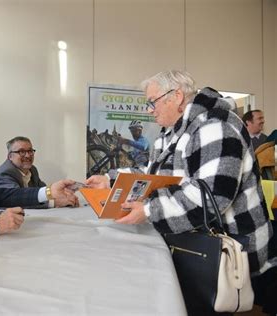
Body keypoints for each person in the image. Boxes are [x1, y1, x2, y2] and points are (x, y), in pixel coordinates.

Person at [86, 70, 277, 314]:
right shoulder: (174, 129)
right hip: (200, 246)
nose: (149, 110)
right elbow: (151, 172)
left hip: (232, 256)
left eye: (152, 102)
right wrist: (110, 180)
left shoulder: (216, 125)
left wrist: (148, 210)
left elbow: (213, 197)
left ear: (176, 96)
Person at [0, 136, 79, 209]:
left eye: (30, 151)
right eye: (22, 152)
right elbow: (18, 200)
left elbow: (43, 190)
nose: (28, 155)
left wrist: (64, 196)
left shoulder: (32, 169)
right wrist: (54, 202)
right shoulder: (5, 173)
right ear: (10, 156)